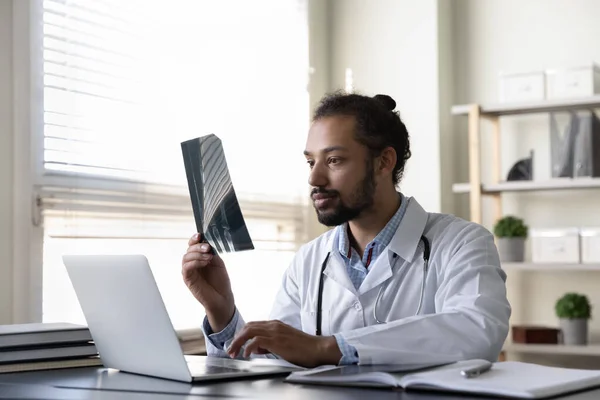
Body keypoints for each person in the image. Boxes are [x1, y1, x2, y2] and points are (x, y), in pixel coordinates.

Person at [181, 92, 511, 368]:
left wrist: (329, 347)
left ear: (384, 162)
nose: (314, 179)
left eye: (334, 160)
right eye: (311, 162)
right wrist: (221, 313)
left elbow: (476, 331)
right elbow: (274, 367)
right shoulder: (310, 260)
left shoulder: (463, 243)